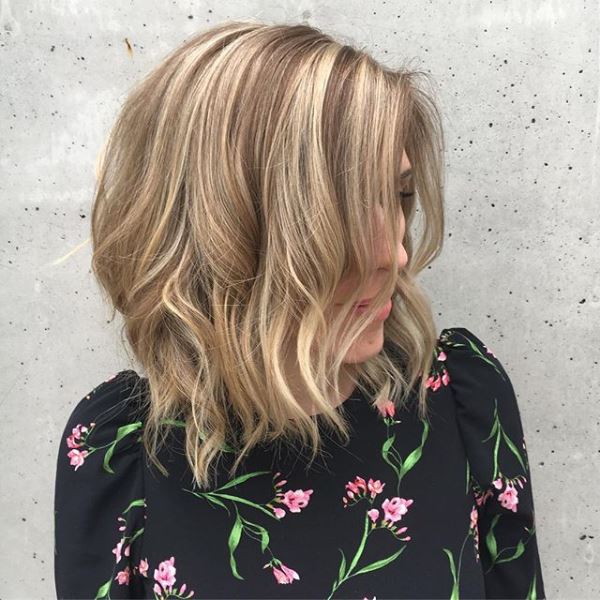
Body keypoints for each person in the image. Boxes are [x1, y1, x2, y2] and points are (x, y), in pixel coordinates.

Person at [53, 20, 546, 599]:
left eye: (398, 195)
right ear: (225, 231)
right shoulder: (119, 455)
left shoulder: (461, 401)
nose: (396, 254)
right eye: (342, 211)